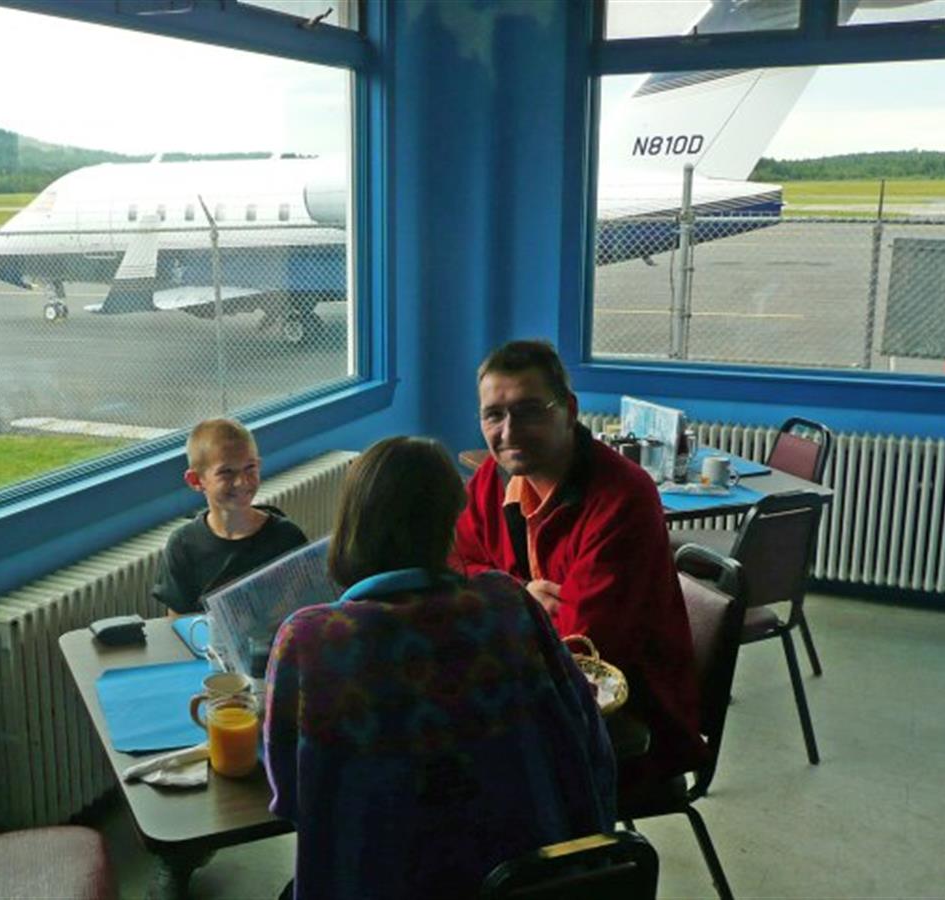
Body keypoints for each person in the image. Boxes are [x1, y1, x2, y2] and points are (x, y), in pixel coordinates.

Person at [264, 436, 615, 900]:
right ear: (452, 518)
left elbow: (287, 793)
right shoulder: (509, 602)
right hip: (530, 882)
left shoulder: (310, 640)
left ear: (351, 521)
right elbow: (584, 734)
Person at [452, 339, 707, 788]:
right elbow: (453, 570)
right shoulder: (493, 478)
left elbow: (585, 647)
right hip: (537, 687)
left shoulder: (622, 497)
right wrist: (517, 596)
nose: (508, 432)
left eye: (529, 411)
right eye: (494, 415)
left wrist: (489, 605)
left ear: (569, 410)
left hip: (625, 717)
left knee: (458, 770)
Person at [152, 419, 307, 615]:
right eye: (226, 472)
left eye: (250, 467)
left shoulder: (287, 537)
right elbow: (177, 619)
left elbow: (307, 609)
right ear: (196, 480)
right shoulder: (183, 545)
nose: (242, 481)